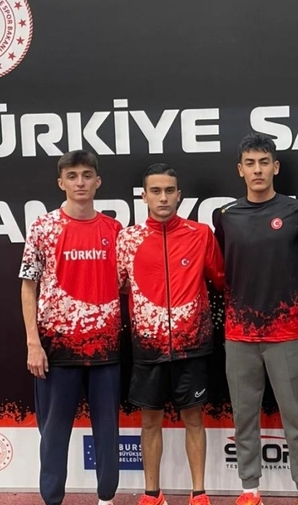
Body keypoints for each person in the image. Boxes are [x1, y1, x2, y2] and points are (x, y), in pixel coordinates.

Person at [213, 133, 298, 505]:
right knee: (244, 417)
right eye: (250, 163)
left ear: (275, 167)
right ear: (240, 170)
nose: (257, 170)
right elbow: (222, 269)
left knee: (296, 417)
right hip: (239, 334)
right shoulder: (225, 216)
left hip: (286, 331)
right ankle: (249, 489)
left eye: (263, 163)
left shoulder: (297, 211)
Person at [117, 163, 225, 505]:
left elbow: (219, 279)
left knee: (194, 419)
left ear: (179, 195)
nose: (163, 198)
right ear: (144, 196)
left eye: (168, 191)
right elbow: (120, 286)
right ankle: (152, 494)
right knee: (150, 422)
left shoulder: (200, 234)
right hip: (147, 348)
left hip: (192, 346)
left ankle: (199, 493)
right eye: (156, 191)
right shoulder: (127, 239)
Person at [19, 150, 122, 505]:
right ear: (61, 182)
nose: (80, 182)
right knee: (53, 433)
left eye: (87, 175)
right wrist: (33, 343)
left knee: (107, 431)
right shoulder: (43, 228)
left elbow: (126, 284)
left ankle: (106, 498)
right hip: (56, 349)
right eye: (73, 176)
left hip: (106, 349)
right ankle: (52, 499)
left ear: (98, 181)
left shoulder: (114, 230)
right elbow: (28, 286)